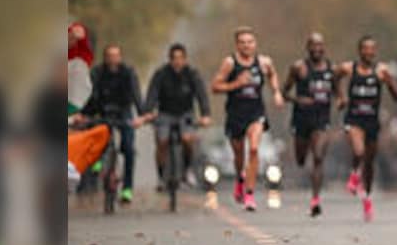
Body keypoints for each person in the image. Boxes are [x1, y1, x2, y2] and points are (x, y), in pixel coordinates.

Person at [210, 27, 284, 212]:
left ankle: (250, 195)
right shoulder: (230, 63)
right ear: (237, 45)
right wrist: (236, 84)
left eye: (250, 42)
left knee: (253, 149)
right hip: (236, 114)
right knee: (239, 156)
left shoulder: (263, 62)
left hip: (255, 113)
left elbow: (273, 74)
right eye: (242, 42)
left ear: (255, 43)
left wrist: (276, 93)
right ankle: (240, 179)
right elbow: (215, 87)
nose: (247, 46)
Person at [72, 45, 152, 204]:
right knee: (97, 136)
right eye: (109, 55)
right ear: (105, 57)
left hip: (123, 112)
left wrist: (142, 116)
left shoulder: (128, 73)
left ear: (120, 57)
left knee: (128, 148)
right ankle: (98, 162)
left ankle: (127, 188)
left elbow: (136, 95)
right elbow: (90, 95)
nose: (112, 59)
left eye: (115, 56)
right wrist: (82, 114)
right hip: (103, 112)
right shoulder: (97, 73)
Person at [335, 36, 397, 222]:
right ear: (359, 50)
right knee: (359, 150)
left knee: (370, 163)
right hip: (354, 119)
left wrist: (389, 81)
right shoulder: (349, 68)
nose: (369, 52)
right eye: (365, 48)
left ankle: (367, 198)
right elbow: (335, 77)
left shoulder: (380, 71)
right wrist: (340, 97)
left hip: (372, 121)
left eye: (372, 49)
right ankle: (354, 174)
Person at [282, 33, 340, 217]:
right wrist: (297, 99)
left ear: (324, 48)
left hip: (321, 119)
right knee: (301, 159)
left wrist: (341, 101)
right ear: (307, 48)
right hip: (301, 120)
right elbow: (284, 92)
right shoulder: (298, 68)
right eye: (313, 45)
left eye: (320, 45)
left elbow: (339, 93)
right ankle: (303, 154)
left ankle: (315, 199)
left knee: (318, 156)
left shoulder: (332, 69)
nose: (317, 49)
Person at [144, 43, 212, 190]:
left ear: (185, 59)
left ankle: (186, 171)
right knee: (162, 141)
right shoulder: (161, 74)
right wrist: (148, 111)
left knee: (188, 140)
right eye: (174, 58)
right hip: (165, 113)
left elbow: (201, 95)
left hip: (185, 114)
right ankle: (161, 176)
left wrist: (205, 114)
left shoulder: (192, 74)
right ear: (170, 59)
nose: (178, 61)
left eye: (181, 58)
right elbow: (152, 93)